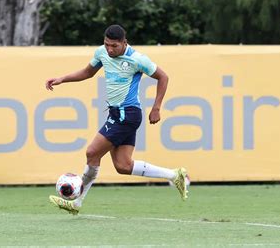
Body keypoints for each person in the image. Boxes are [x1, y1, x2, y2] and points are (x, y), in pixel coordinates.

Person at [45, 24, 189, 215]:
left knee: (92, 153)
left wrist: (156, 107)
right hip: (118, 114)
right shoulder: (102, 53)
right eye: (107, 45)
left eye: (114, 46)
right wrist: (63, 78)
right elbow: (88, 72)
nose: (110, 50)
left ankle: (76, 203)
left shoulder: (137, 59)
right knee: (123, 166)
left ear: (124, 43)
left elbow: (163, 77)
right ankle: (174, 175)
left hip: (127, 114)